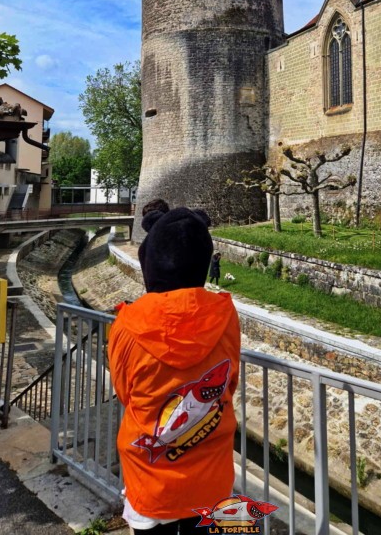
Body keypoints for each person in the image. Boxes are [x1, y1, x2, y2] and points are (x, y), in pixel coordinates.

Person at [108, 207, 240, 535]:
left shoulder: (127, 323)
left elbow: (125, 391)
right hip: (211, 477)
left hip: (150, 477)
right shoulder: (225, 316)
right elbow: (230, 382)